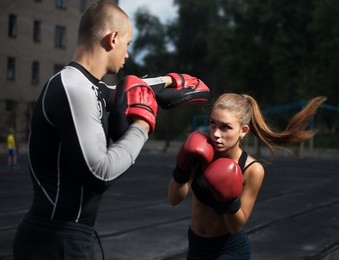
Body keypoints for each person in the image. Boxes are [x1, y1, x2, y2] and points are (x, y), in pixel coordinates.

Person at [12, 1, 209, 260]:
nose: (127, 54)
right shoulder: (73, 88)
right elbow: (99, 172)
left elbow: (127, 88)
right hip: (53, 240)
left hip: (69, 236)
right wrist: (142, 125)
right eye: (128, 44)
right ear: (113, 38)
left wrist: (170, 80)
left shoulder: (87, 87)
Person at [168, 93, 326, 259]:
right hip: (196, 246)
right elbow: (174, 199)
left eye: (225, 127)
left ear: (243, 131)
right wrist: (183, 168)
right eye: (212, 123)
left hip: (228, 250)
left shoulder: (252, 169)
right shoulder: (200, 152)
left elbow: (235, 226)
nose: (215, 133)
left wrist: (227, 197)